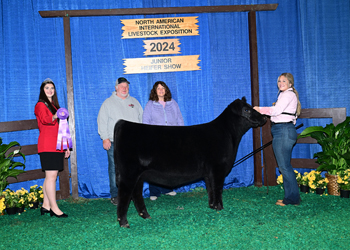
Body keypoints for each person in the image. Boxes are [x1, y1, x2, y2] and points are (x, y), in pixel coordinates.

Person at [254, 73, 301, 206]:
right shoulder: (287, 95)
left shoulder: (287, 94)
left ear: (290, 84)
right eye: (279, 81)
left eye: (284, 81)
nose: (281, 83)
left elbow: (276, 111)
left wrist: (259, 109)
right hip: (283, 130)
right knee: (284, 166)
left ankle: (292, 199)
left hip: (283, 131)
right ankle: (291, 197)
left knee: (284, 167)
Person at [97, 77, 143, 205]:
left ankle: (133, 193)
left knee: (134, 169)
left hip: (133, 143)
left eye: (126, 86)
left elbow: (141, 120)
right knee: (115, 168)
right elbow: (102, 121)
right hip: (114, 141)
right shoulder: (108, 103)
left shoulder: (134, 102)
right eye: (122, 86)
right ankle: (115, 194)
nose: (124, 88)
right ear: (116, 88)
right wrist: (105, 138)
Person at [34, 78, 70, 218]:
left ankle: (46, 205)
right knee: (51, 176)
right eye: (47, 88)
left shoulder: (55, 106)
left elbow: (62, 129)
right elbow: (45, 119)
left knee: (50, 176)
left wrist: (66, 146)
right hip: (47, 145)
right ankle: (55, 208)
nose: (50, 90)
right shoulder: (40, 105)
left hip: (57, 145)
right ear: (43, 91)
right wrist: (56, 116)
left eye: (52, 88)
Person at [143, 81, 184, 200]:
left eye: (163, 88)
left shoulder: (173, 103)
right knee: (154, 166)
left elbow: (179, 119)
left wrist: (181, 135)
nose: (161, 90)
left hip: (172, 139)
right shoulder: (150, 104)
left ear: (166, 90)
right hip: (156, 139)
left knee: (169, 165)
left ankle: (167, 188)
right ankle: (154, 192)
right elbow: (145, 122)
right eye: (158, 88)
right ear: (154, 91)